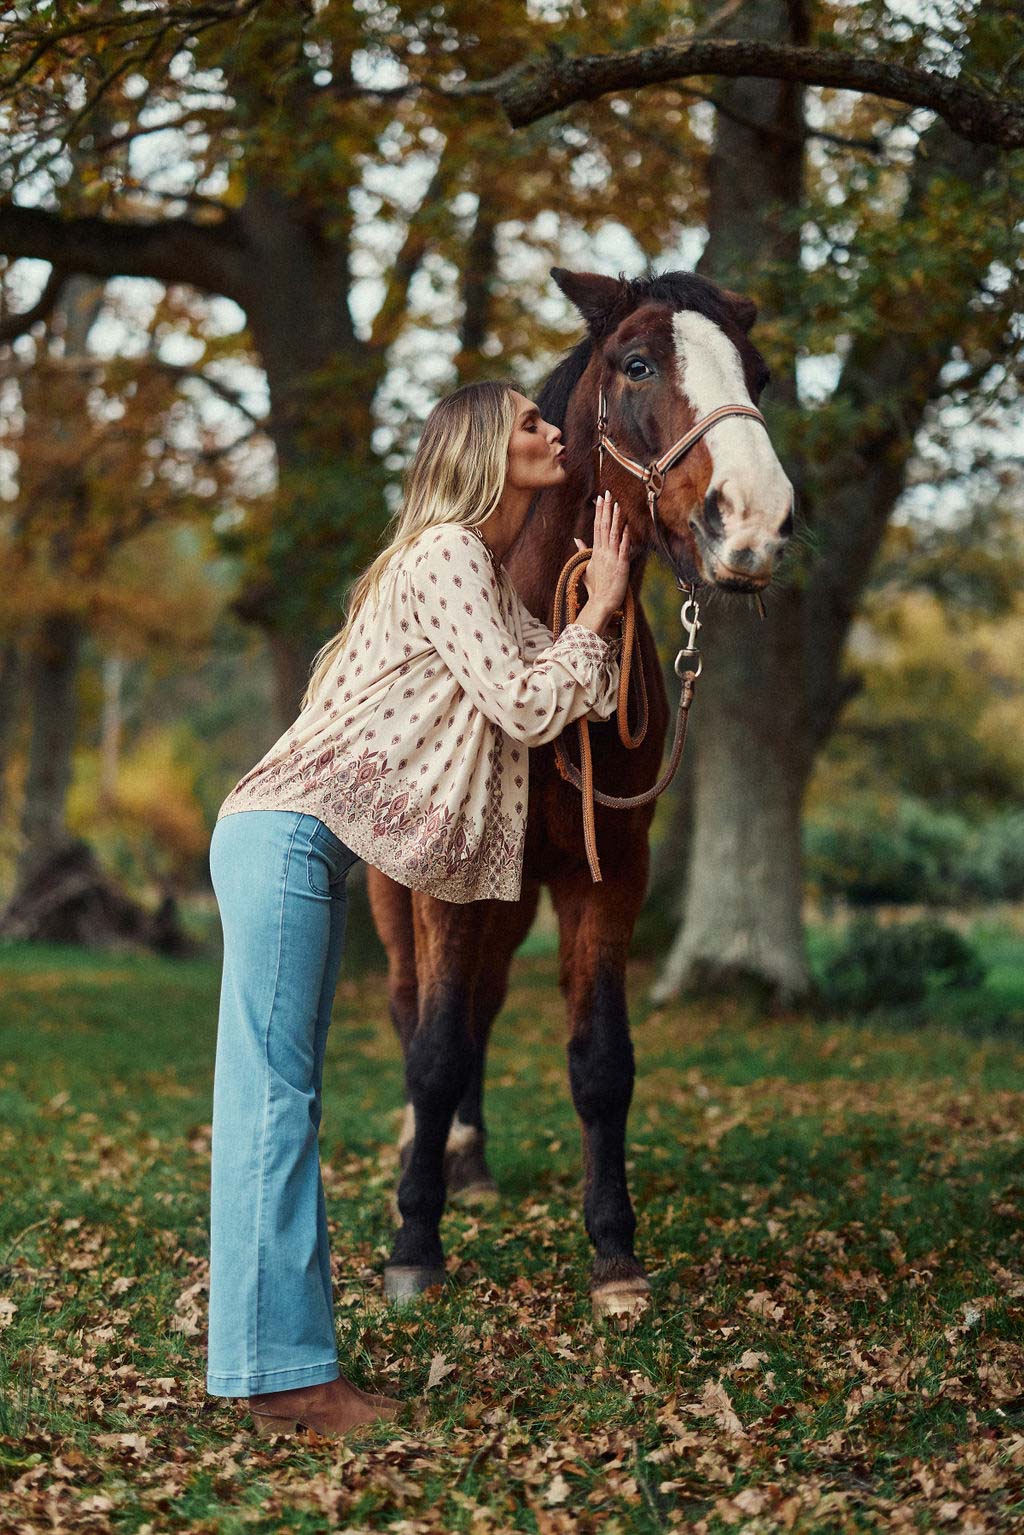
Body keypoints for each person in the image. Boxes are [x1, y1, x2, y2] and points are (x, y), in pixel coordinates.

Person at [206, 379, 631, 1438]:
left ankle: (273, 1367)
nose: (551, 432)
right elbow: (529, 701)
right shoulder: (445, 552)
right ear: (490, 447)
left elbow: (554, 687)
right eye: (531, 423)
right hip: (284, 835)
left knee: (281, 1103)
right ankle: (285, 1381)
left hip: (294, 842)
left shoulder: (476, 573)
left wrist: (598, 612)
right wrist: (600, 610)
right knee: (273, 1106)